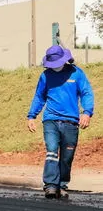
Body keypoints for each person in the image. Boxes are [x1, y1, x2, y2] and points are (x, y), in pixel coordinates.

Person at [27, 45, 94, 199]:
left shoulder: (76, 74)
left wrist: (87, 112)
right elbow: (39, 96)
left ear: (64, 59)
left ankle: (62, 184)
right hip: (50, 119)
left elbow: (86, 93)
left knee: (67, 155)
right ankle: (50, 185)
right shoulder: (45, 76)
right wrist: (32, 116)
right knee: (51, 150)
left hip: (71, 122)